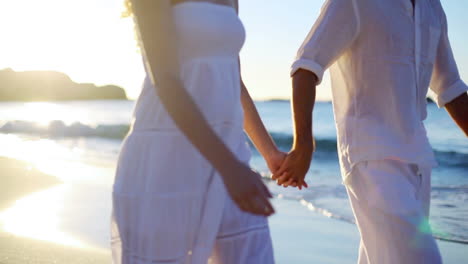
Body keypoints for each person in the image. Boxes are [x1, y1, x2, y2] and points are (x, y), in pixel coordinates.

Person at [273, 0, 468, 263]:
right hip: (370, 157)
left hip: (419, 161)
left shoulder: (432, 7)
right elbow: (306, 66)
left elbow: (451, 87)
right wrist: (304, 145)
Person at [111, 0, 284, 263]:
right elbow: (166, 81)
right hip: (165, 158)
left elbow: (233, 78)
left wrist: (270, 153)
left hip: (230, 153)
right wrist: (229, 168)